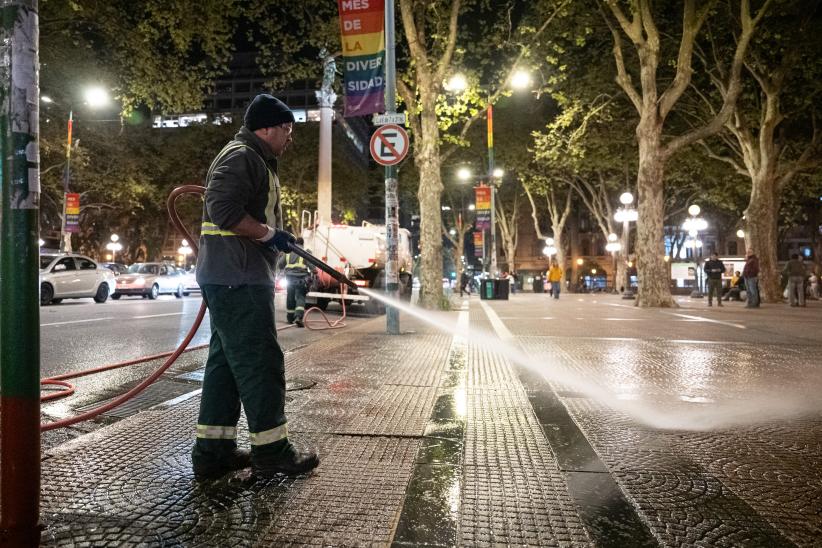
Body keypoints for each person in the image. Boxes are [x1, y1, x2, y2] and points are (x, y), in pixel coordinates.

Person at [192, 94, 319, 480]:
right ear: (266, 128)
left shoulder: (253, 158)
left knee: (226, 367)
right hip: (238, 277)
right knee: (260, 362)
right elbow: (225, 211)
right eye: (286, 130)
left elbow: (241, 213)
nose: (289, 138)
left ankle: (214, 453)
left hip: (233, 274)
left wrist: (276, 236)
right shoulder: (242, 156)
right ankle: (272, 452)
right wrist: (268, 235)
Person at [279, 237, 313, 326]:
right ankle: (298, 317)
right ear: (303, 244)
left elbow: (280, 264)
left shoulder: (288, 252)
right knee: (300, 297)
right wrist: (314, 271)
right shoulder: (305, 252)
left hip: (289, 278)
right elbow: (311, 264)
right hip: (301, 278)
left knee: (290, 297)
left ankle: (290, 318)